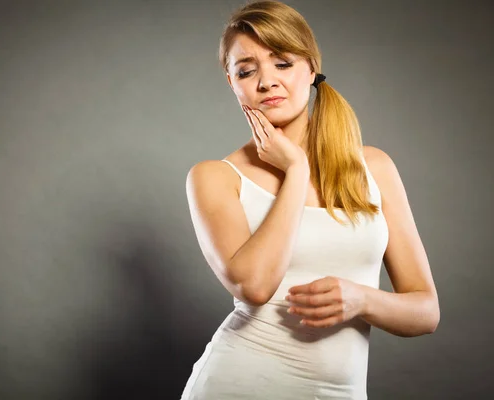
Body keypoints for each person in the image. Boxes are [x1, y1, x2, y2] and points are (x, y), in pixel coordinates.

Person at [180, 1, 440, 399]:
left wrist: (361, 299)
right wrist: (296, 171)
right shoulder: (215, 177)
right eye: (247, 70)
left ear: (311, 67)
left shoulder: (374, 167)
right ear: (232, 83)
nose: (266, 82)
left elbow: (425, 312)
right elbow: (255, 286)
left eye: (282, 63)